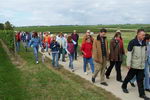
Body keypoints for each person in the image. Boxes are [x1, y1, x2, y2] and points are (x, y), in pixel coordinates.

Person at [121, 29, 150, 99]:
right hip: (134, 65)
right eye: (142, 35)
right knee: (129, 77)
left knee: (140, 80)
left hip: (141, 66)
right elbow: (129, 54)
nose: (144, 36)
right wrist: (128, 64)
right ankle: (123, 86)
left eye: (144, 35)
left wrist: (145, 60)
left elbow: (145, 53)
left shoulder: (144, 42)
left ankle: (142, 94)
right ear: (138, 34)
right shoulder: (132, 42)